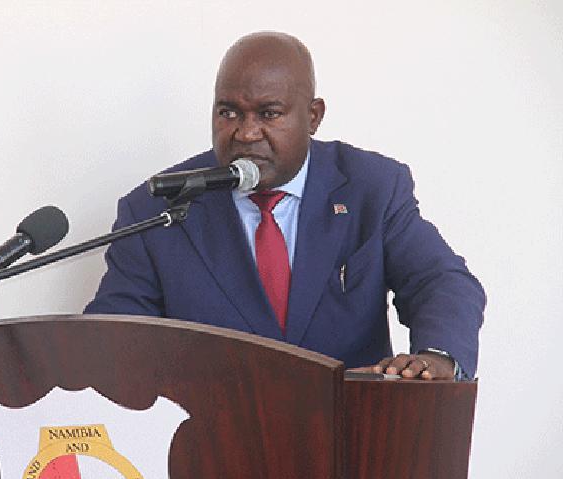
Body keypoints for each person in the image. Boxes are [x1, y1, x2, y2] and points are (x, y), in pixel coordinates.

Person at [85, 32, 485, 380]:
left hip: (350, 428)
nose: (246, 133)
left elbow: (440, 281)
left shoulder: (370, 187)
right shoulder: (155, 211)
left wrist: (436, 357)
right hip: (211, 434)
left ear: (313, 116)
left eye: (268, 113)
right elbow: (114, 341)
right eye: (228, 112)